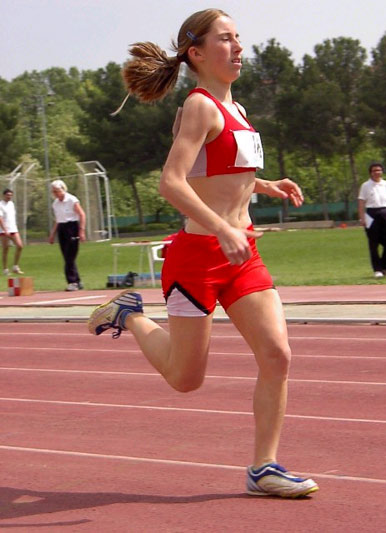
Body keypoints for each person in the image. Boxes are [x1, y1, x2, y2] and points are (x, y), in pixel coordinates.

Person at [88, 8, 318, 498]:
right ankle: (128, 314)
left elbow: (214, 172)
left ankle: (264, 467)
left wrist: (264, 185)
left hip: (243, 255)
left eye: (239, 38)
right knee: (185, 379)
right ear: (196, 53)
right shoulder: (199, 106)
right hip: (197, 258)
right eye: (225, 39)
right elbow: (171, 183)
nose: (238, 47)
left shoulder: (235, 107)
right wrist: (221, 227)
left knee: (277, 353)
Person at [358, 162, 386, 279]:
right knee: (373, 243)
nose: (377, 172)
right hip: (371, 213)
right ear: (370, 173)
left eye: (379, 170)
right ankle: (377, 269)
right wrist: (362, 217)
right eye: (374, 170)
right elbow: (361, 202)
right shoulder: (365, 185)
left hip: (385, 211)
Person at [49, 179, 86, 291]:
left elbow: (82, 214)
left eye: (58, 191)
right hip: (62, 228)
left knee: (70, 255)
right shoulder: (55, 204)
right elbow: (58, 220)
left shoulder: (71, 200)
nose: (56, 193)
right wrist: (52, 234)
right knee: (67, 256)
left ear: (63, 189)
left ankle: (72, 281)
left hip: (72, 227)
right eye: (54, 191)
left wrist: (81, 230)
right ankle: (77, 281)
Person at [0, 188, 24, 275]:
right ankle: (5, 269)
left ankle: (15, 266)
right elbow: (0, 218)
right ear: (4, 195)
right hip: (4, 231)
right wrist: (5, 230)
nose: (9, 197)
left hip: (13, 229)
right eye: (8, 195)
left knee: (20, 246)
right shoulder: (1, 205)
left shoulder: (11, 204)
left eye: (11, 195)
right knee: (5, 249)